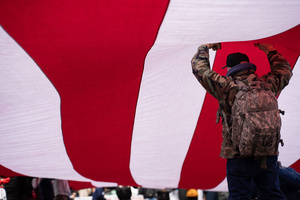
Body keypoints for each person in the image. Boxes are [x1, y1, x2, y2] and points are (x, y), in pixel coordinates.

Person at [191, 43, 293, 200]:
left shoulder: (227, 87)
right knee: (273, 195)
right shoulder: (269, 84)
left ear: (231, 68)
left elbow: (199, 69)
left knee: (239, 196)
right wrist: (270, 50)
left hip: (238, 156)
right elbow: (285, 68)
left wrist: (205, 48)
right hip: (267, 154)